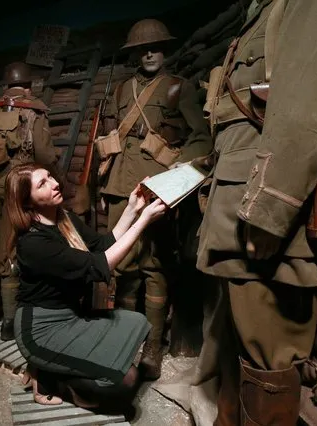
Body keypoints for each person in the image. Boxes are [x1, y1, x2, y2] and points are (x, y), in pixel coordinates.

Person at [195, 0, 317, 424]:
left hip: (262, 208)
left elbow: (311, 108)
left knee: (268, 355)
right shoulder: (262, 11)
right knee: (237, 349)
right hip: (236, 200)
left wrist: (271, 208)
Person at [99, 18, 212, 379]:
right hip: (119, 188)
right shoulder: (119, 91)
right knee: (124, 267)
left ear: (165, 50)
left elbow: (201, 138)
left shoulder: (180, 89)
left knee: (157, 267)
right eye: (142, 49)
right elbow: (109, 142)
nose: (149, 53)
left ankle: (152, 349)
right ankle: (128, 343)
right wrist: (101, 190)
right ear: (134, 53)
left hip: (158, 189)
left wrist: (174, 171)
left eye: (156, 47)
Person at [4, 162, 167, 408]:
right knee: (127, 382)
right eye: (42, 184)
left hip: (71, 316)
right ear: (28, 202)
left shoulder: (64, 218)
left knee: (136, 324)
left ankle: (51, 369)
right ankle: (51, 379)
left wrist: (132, 209)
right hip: (41, 331)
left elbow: (102, 245)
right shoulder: (33, 244)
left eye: (50, 176)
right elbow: (101, 265)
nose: (55, 183)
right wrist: (143, 221)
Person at [0, 62, 58, 341]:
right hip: (14, 190)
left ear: (5, 85)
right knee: (10, 249)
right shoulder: (33, 110)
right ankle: (9, 325)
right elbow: (44, 156)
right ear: (29, 86)